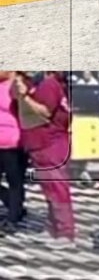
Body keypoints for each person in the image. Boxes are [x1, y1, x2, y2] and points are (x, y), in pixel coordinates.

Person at [13, 71, 73, 243]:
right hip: (38, 143)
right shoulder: (33, 83)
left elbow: (45, 111)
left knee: (58, 189)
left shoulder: (49, 84)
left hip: (52, 144)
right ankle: (53, 226)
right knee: (49, 191)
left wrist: (25, 96)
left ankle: (65, 232)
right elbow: (14, 95)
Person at [0, 70, 25, 232]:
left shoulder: (16, 86)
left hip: (13, 141)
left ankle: (13, 217)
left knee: (15, 181)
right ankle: (14, 204)